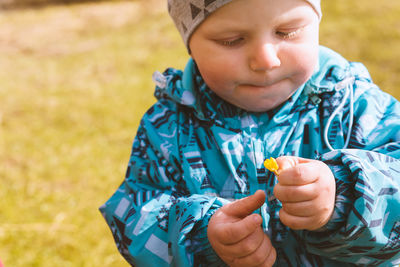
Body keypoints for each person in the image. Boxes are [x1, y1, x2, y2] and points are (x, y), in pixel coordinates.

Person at [99, 0, 400, 266]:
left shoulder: (355, 108)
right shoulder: (168, 127)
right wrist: (203, 236)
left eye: (287, 32)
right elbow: (134, 214)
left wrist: (346, 195)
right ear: (190, 44)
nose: (266, 60)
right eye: (232, 40)